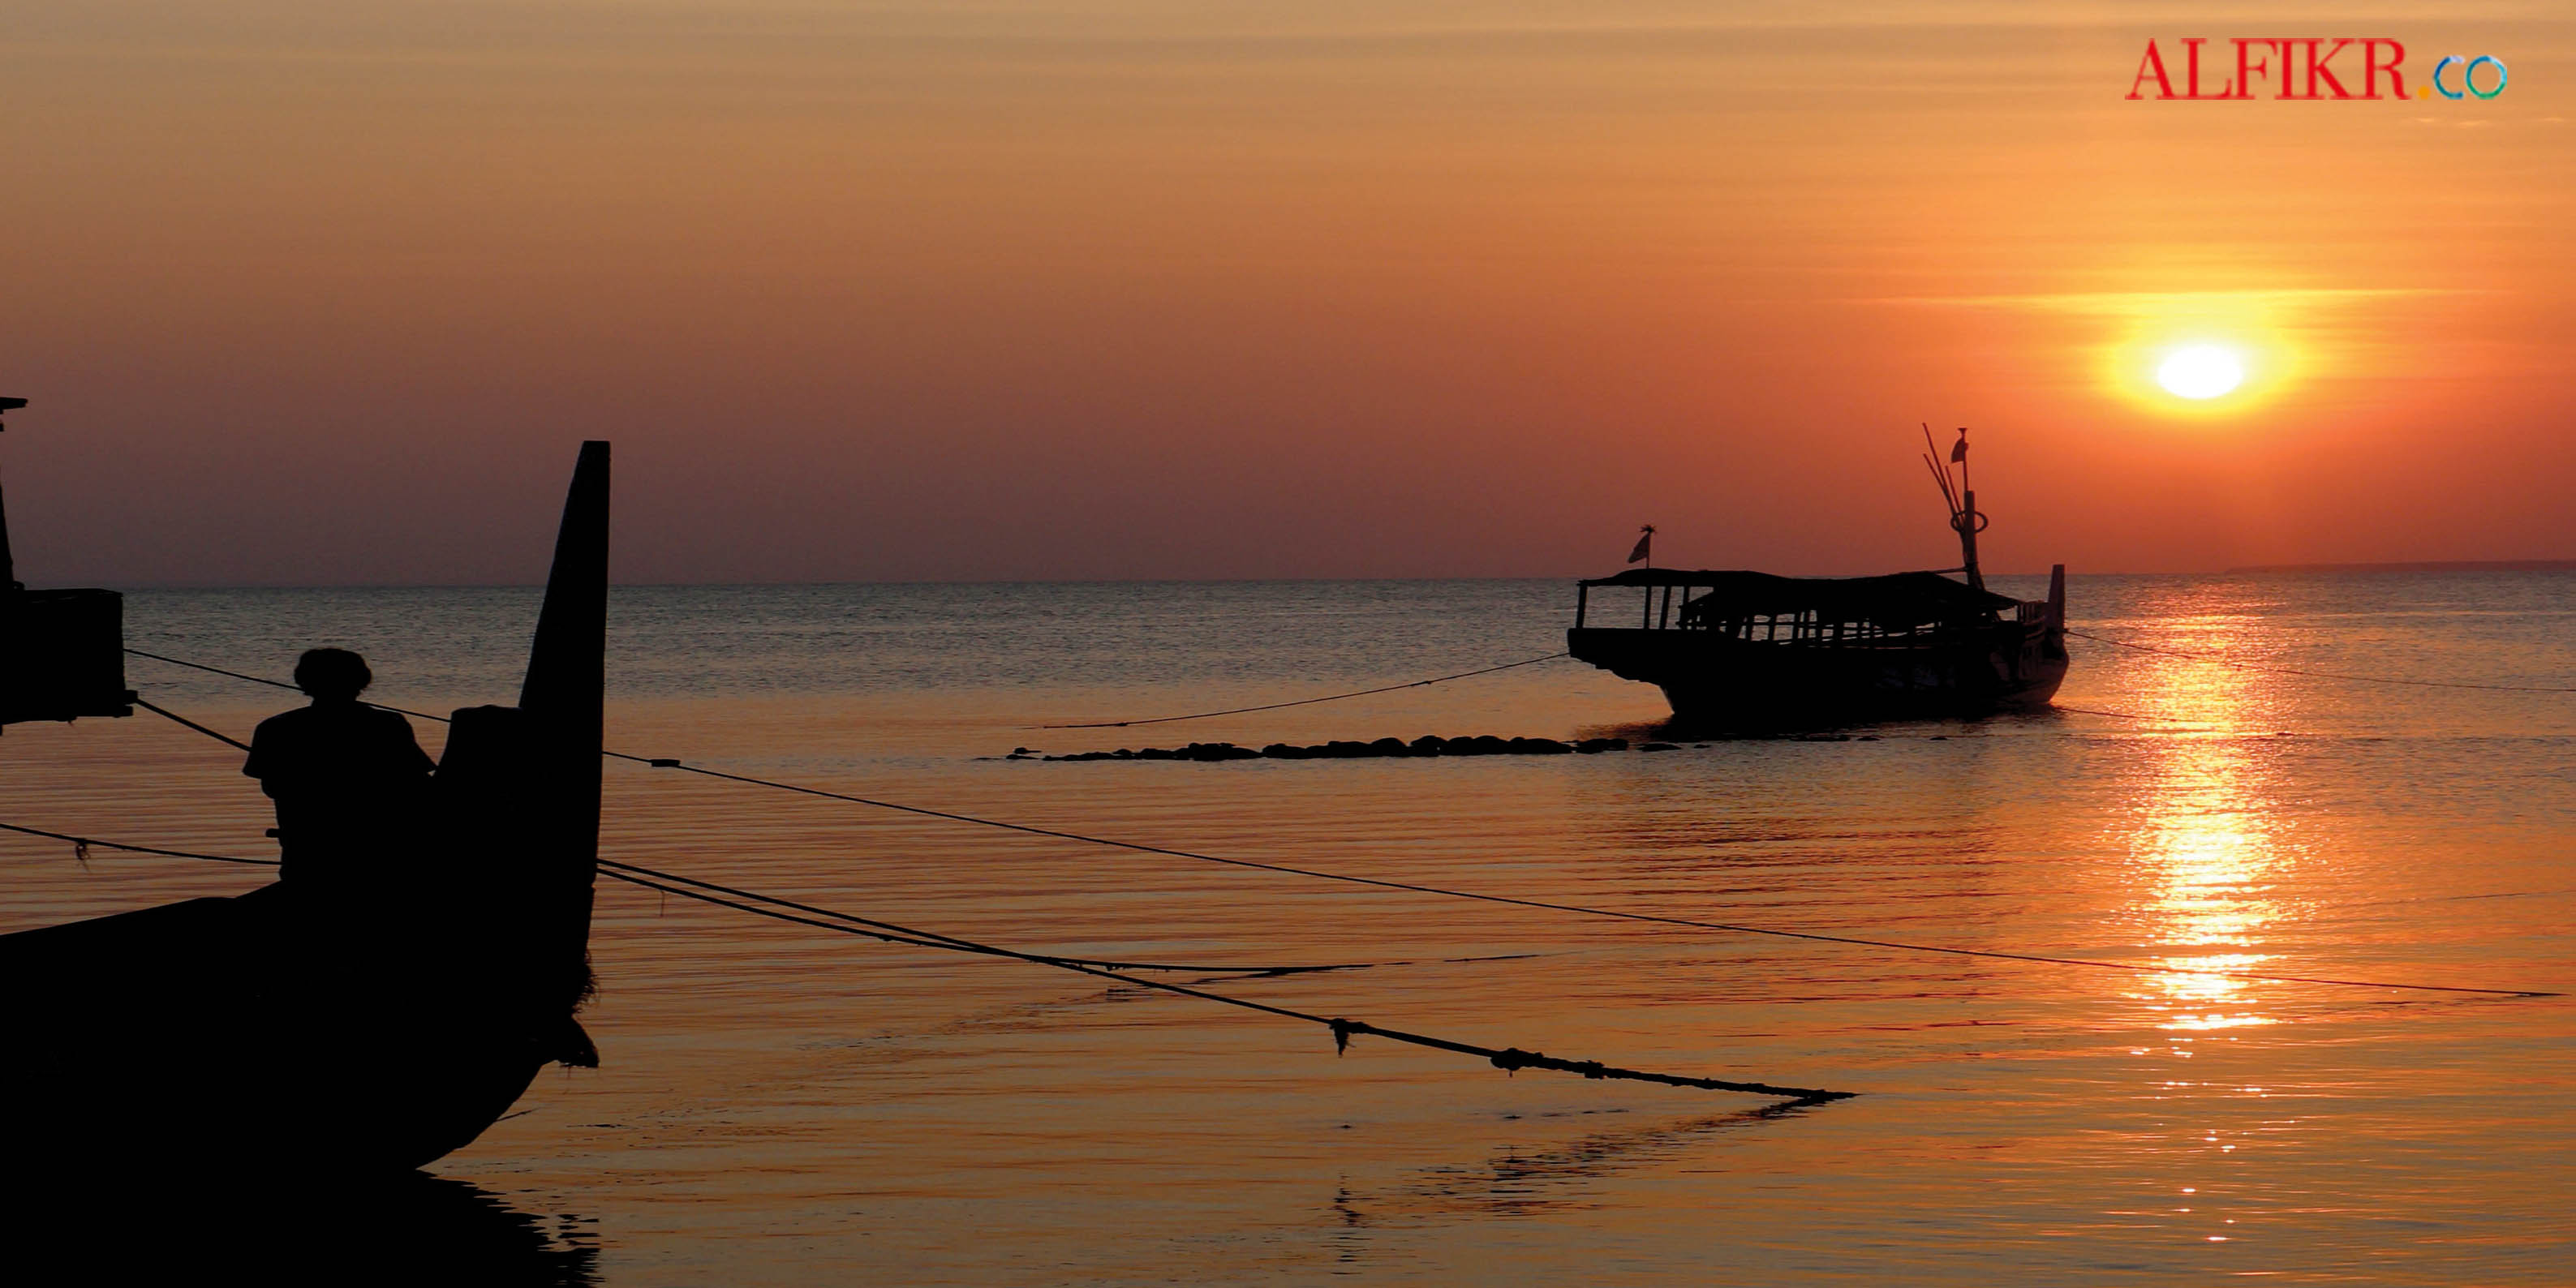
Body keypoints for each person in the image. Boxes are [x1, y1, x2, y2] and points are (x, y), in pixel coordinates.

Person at [243, 648, 435, 892]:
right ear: (362, 681)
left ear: (304, 682)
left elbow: (271, 787)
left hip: (307, 851)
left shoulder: (275, 728)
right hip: (382, 851)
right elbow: (418, 786)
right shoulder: (388, 724)